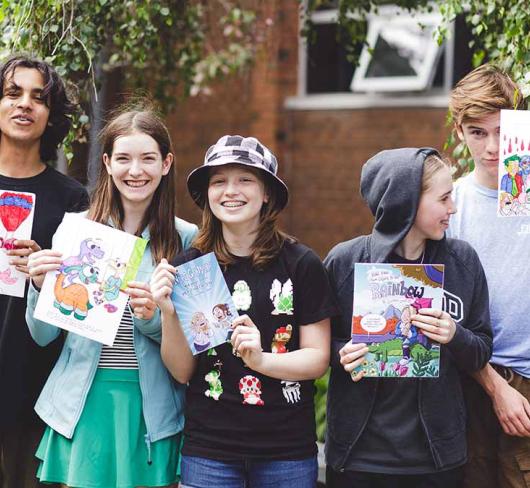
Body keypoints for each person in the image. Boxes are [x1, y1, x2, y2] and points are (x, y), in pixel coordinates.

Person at [25, 104, 197, 488]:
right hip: (82, 401)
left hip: (150, 404)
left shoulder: (186, 238)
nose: (135, 171)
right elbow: (43, 337)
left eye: (148, 159)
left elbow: (189, 350)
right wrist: (38, 288)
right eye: (123, 159)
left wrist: (153, 317)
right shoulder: (74, 229)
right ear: (107, 162)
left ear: (166, 164)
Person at [150, 135, 337, 488]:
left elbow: (317, 359)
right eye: (219, 181)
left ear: (266, 192)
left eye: (245, 180)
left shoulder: (301, 264)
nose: (230, 191)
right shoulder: (192, 268)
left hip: (286, 451)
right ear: (207, 194)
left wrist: (261, 360)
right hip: (209, 451)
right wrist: (168, 312)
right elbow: (182, 371)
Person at [324, 148, 493, 488]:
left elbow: (482, 349)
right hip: (359, 454)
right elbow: (316, 344)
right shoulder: (344, 262)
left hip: (436, 458)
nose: (453, 208)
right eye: (444, 198)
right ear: (407, 202)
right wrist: (342, 352)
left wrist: (454, 334)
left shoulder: (462, 261)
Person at [0, 54, 88, 488]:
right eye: (13, 92)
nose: (24, 104)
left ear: (51, 116)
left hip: (35, 393)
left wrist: (45, 276)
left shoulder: (73, 199)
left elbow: (80, 305)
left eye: (38, 97)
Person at [446, 64, 530, 488]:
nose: (493, 147)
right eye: (478, 133)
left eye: (501, 131)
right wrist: (494, 386)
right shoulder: (451, 204)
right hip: (470, 378)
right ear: (460, 131)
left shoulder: (527, 194)